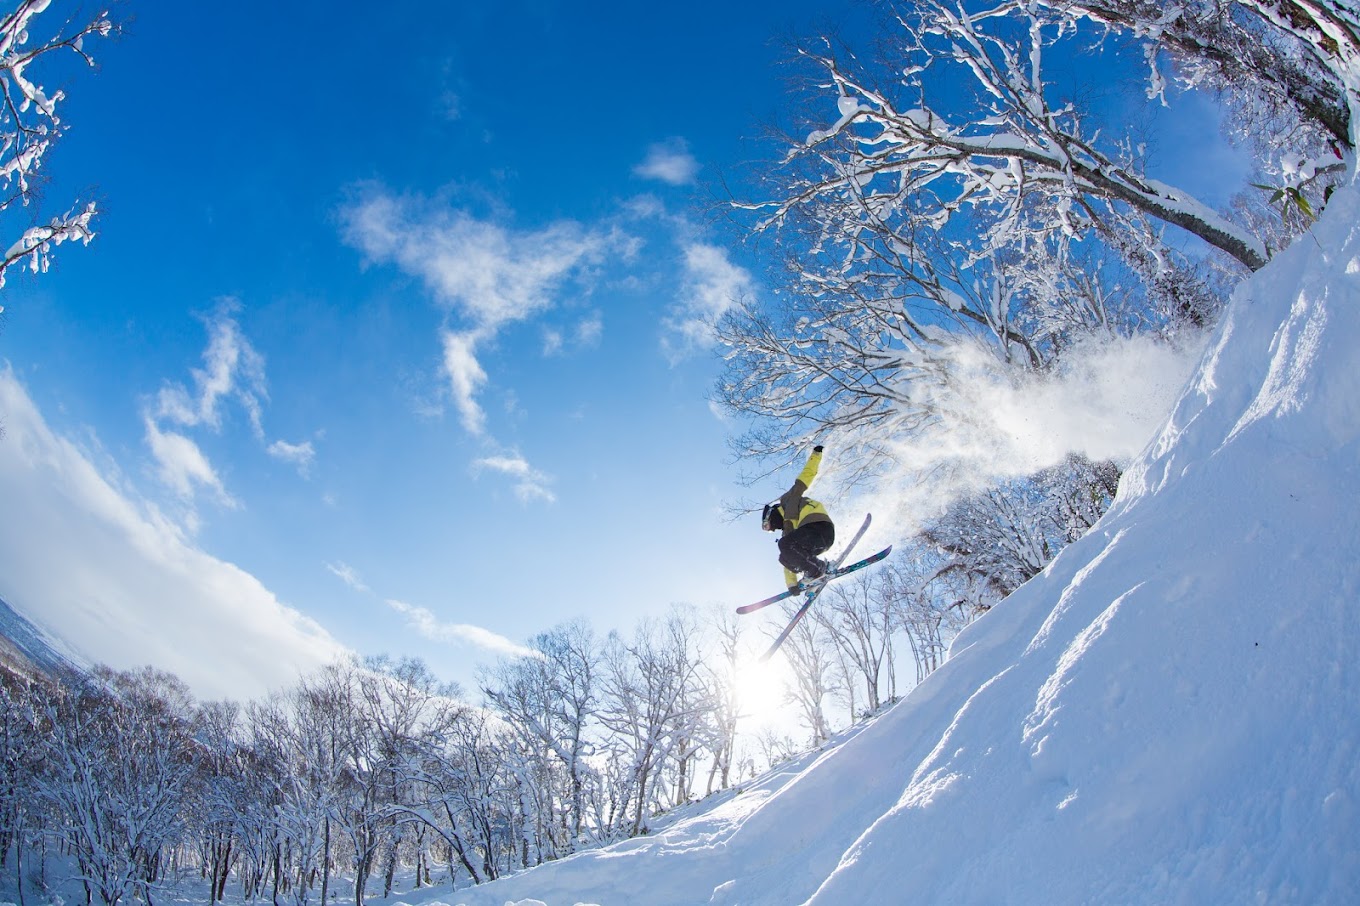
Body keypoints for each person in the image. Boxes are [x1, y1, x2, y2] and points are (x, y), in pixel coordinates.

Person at [761, 445, 836, 592]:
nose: (772, 529)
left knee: (784, 545)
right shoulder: (789, 531)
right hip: (818, 541)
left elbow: (805, 476)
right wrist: (792, 585)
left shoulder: (789, 500)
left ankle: (817, 569)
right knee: (784, 557)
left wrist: (816, 456)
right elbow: (787, 559)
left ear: (770, 515)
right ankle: (813, 575)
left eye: (767, 526)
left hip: (818, 527)